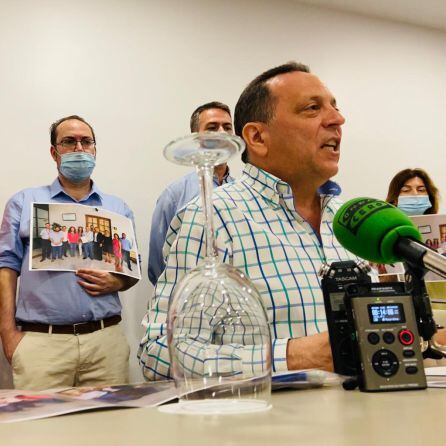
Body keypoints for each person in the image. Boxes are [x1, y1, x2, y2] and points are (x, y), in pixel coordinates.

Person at [138, 62, 358, 380]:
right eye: (312, 108)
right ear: (256, 137)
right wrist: (295, 357)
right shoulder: (212, 218)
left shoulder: (348, 220)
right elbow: (158, 352)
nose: (337, 119)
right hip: (266, 424)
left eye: (335, 108)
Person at [0, 115, 138, 390]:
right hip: (41, 343)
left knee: (110, 428)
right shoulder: (24, 202)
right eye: (69, 142)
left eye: (86, 142)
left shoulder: (117, 208)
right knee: (40, 431)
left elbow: (133, 269)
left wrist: (118, 281)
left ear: (95, 149)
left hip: (105, 341)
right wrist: (8, 335)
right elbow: (6, 267)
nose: (79, 148)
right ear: (54, 152)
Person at [148, 101, 235, 286]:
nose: (222, 133)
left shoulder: (243, 192)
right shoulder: (175, 195)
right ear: (196, 138)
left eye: (227, 127)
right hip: (191, 303)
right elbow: (158, 265)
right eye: (212, 127)